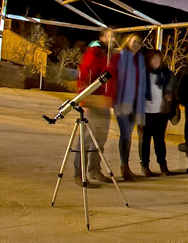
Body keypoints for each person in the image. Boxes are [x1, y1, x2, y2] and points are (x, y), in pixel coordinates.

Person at [73, 38, 112, 186]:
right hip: (93, 102)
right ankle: (79, 173)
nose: (112, 39)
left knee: (100, 140)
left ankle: (95, 170)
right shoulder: (94, 54)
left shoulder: (108, 55)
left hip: (104, 103)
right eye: (109, 36)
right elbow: (83, 77)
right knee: (85, 140)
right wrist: (84, 100)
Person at [110, 34, 146, 181]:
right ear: (128, 42)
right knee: (125, 133)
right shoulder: (119, 57)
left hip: (136, 102)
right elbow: (112, 76)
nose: (136, 44)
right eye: (134, 41)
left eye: (139, 42)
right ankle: (124, 166)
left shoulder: (140, 60)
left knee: (129, 134)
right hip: (122, 100)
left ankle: (126, 166)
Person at [138, 51, 175, 177]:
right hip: (145, 112)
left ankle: (162, 165)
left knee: (159, 140)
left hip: (161, 112)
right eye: (153, 58)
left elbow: (171, 88)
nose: (156, 61)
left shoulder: (166, 74)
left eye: (158, 59)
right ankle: (145, 165)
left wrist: (169, 95)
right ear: (149, 60)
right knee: (144, 140)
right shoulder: (143, 74)